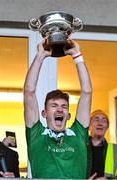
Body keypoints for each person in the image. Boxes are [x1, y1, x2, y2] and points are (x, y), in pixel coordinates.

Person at [23, 38, 92, 179]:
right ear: (44, 113)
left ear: (69, 115)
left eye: (64, 107)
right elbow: (29, 92)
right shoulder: (36, 135)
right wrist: (40, 55)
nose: (60, 110)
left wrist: (77, 55)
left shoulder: (78, 134)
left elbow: (87, 92)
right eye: (54, 106)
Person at [87, 109, 117, 179]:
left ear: (107, 127)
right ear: (89, 125)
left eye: (104, 121)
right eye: (96, 120)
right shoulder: (79, 147)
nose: (100, 123)